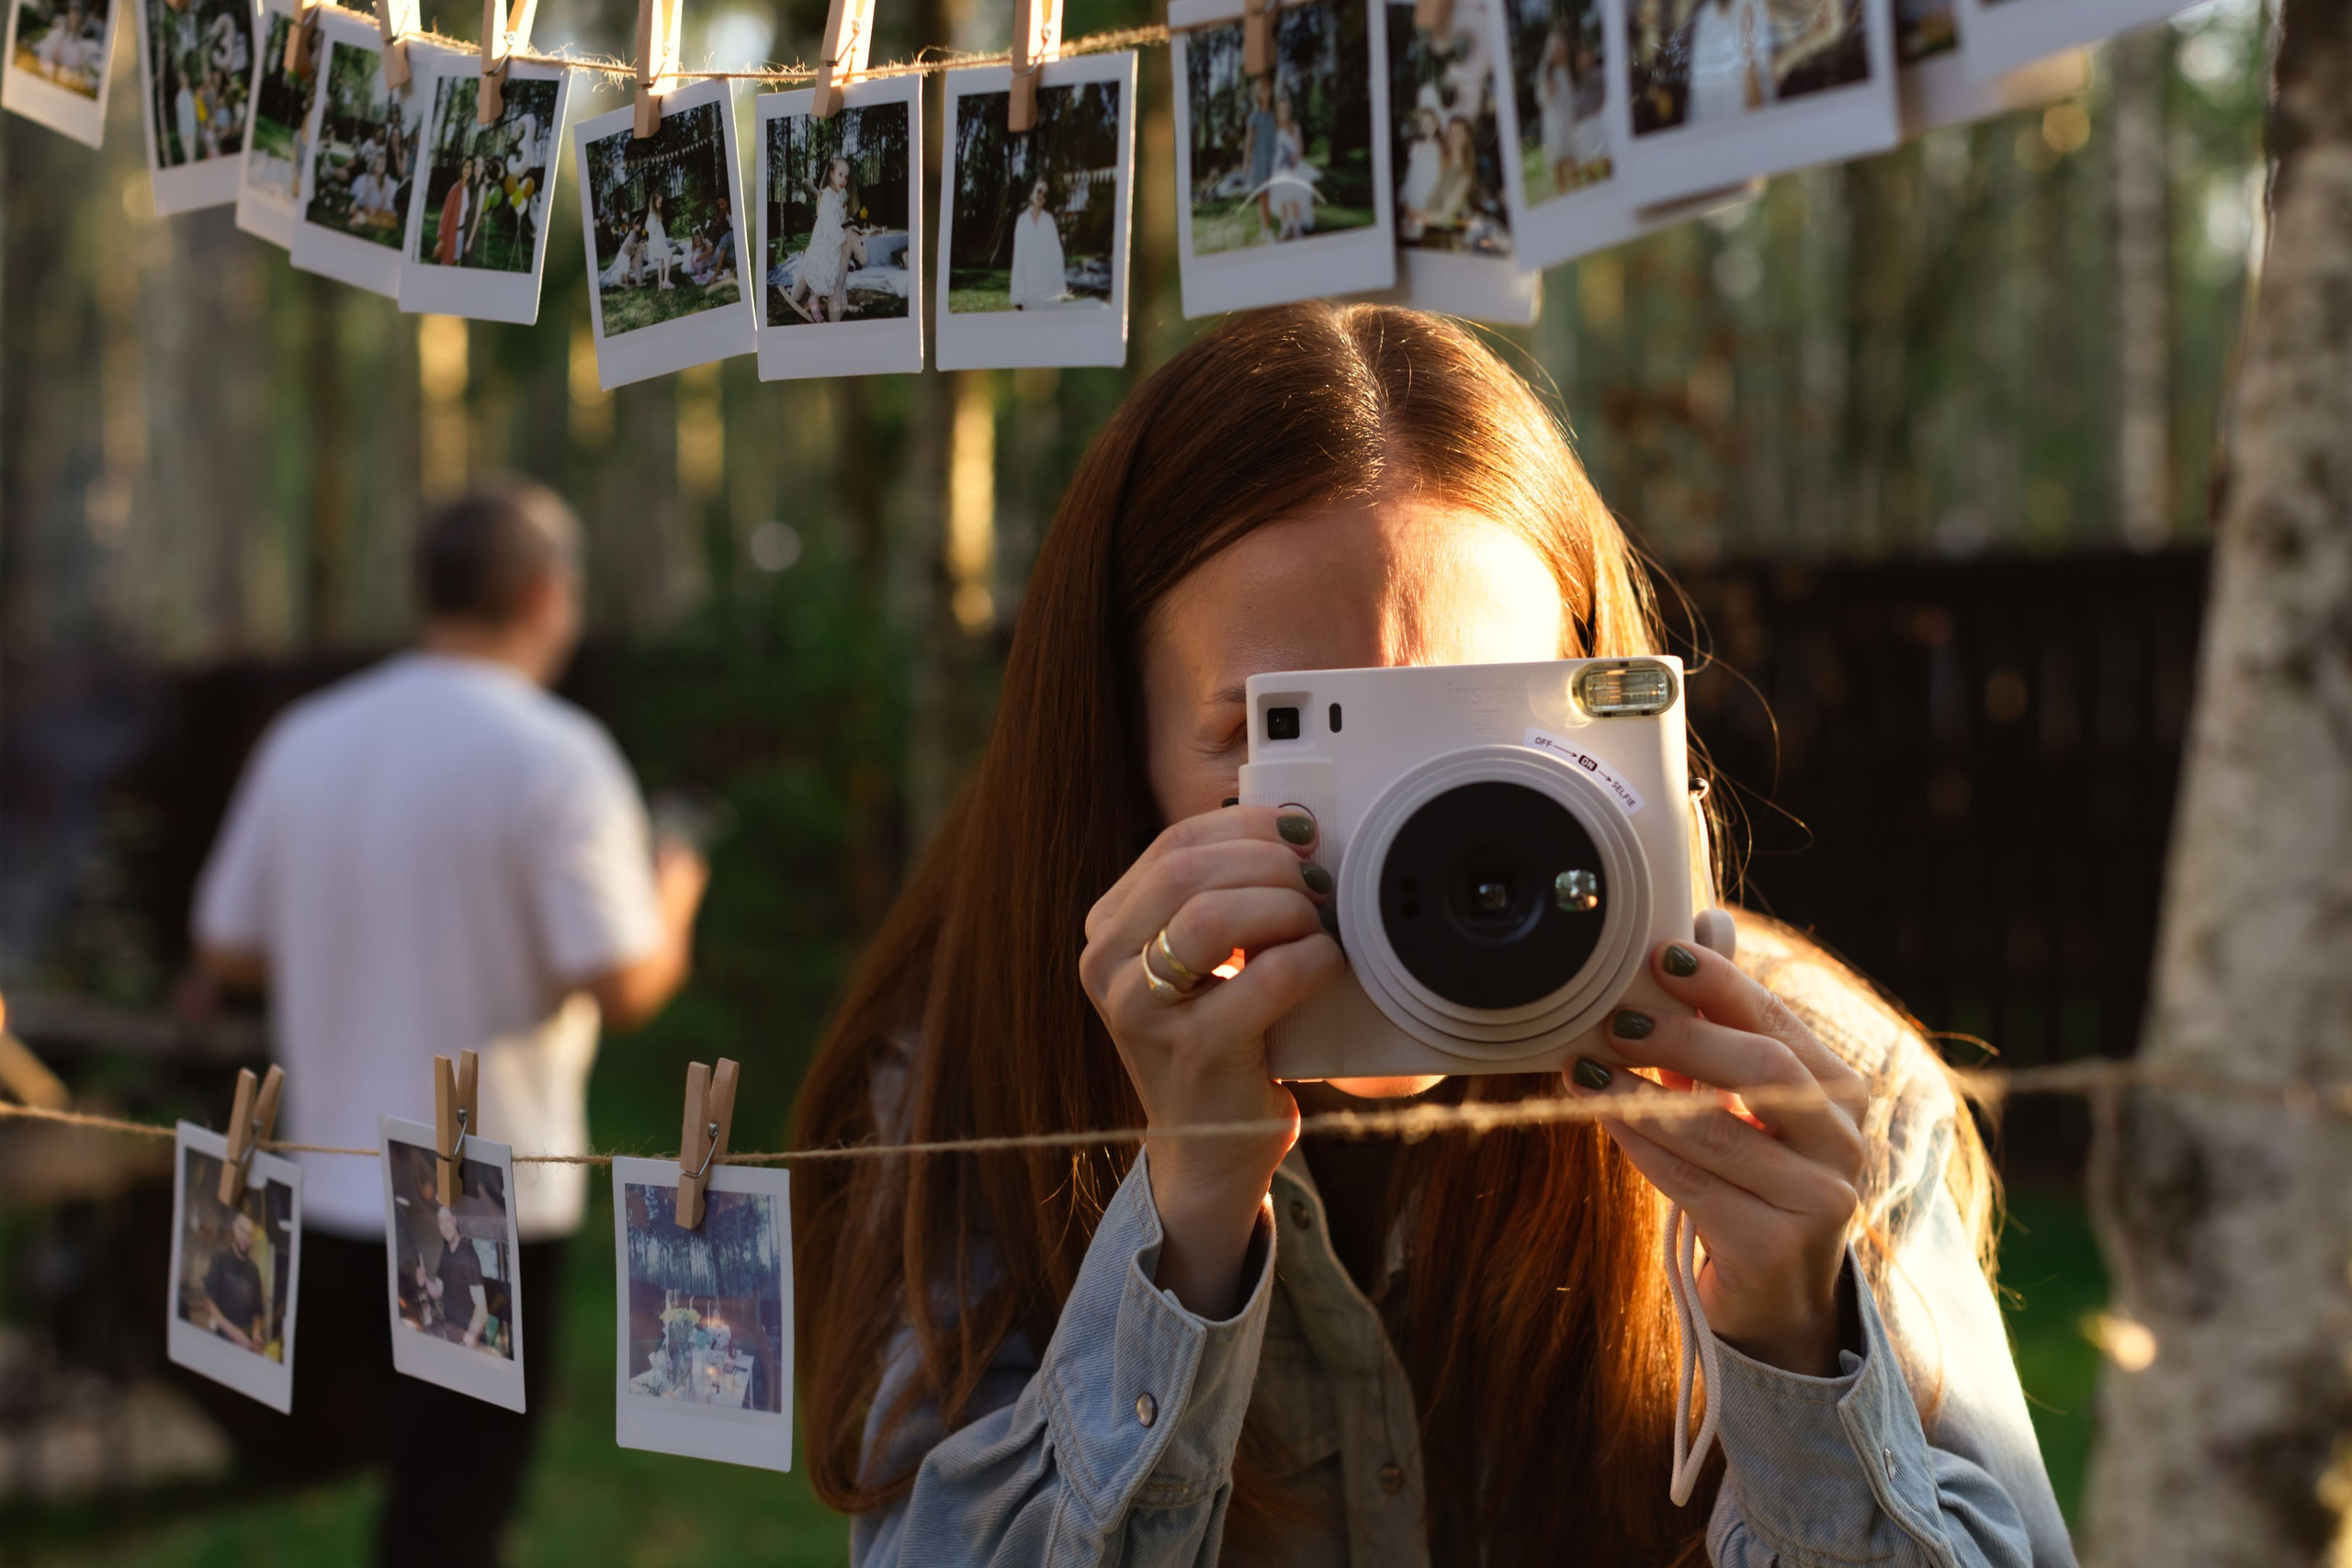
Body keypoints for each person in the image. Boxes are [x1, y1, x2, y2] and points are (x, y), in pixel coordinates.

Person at [793, 305, 2073, 1567]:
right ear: (1112, 749)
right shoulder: (976, 1083)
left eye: (1468, 734)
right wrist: (1179, 1231)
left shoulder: (1816, 1092)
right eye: (1284, 735)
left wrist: (1796, 1348)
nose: (1418, 837)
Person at [191, 480, 708, 1568]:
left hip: (328, 1182)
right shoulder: (556, 753)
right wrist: (676, 892)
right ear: (540, 594)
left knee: (403, 1499)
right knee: (451, 1516)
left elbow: (226, 945)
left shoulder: (308, 737)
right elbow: (621, 982)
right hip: (482, 1204)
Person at [787, 156, 852, 322]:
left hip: (832, 242)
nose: (843, 180)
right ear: (831, 173)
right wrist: (840, 236)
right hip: (824, 239)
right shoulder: (827, 195)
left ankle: (819, 296)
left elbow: (840, 215)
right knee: (822, 267)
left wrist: (845, 220)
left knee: (832, 271)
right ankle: (813, 298)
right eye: (840, 175)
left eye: (846, 177)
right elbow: (828, 220)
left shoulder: (839, 195)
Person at [1688, 0, 1773, 123]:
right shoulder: (1705, 14)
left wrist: (1748, 57)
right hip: (1712, 134)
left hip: (1749, 130)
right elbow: (1697, 100)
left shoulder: (1752, 7)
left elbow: (1758, 103)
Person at [418, 1205, 491, 1350]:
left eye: (447, 1219)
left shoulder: (467, 1253)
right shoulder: (445, 1254)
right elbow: (437, 1291)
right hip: (450, 1331)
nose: (445, 1225)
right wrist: (425, 1277)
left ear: (455, 1221)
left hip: (470, 1338)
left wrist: (467, 1341)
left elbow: (482, 1310)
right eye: (440, 1221)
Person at [201, 1211, 266, 1351]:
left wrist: (256, 1334)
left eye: (250, 1234)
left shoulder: (254, 1270)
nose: (246, 1238)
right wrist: (234, 1333)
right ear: (235, 1229)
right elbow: (209, 1302)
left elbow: (258, 1311)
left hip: (246, 1340)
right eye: (243, 1231)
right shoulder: (220, 1258)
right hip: (222, 1336)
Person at [1007, 178, 1066, 310]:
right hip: (1028, 284)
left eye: (1045, 194)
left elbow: (1057, 254)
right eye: (1039, 191)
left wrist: (1059, 289)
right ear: (1032, 192)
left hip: (1047, 284)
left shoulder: (1049, 220)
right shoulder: (1022, 221)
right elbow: (1018, 259)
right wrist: (1017, 295)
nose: (1041, 196)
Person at [1266, 94, 1317, 242]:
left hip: (1294, 167)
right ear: (1277, 111)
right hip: (1279, 168)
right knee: (1283, 197)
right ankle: (1286, 225)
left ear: (1290, 111)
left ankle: (1296, 226)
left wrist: (1297, 155)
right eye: (1281, 110)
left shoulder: (1294, 126)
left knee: (1294, 196)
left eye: (1286, 110)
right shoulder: (1274, 129)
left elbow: (1299, 145)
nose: (1284, 113)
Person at [1241, 73, 1278, 240]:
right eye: (1262, 89)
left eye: (1268, 88)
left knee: (1270, 194)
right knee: (1263, 195)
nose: (1266, 92)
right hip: (1259, 160)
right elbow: (1249, 142)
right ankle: (1268, 229)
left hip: (1272, 160)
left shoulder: (1273, 116)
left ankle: (1265, 227)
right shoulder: (1254, 117)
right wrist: (1246, 162)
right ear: (1257, 94)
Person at [436, 155, 475, 266]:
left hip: (461, 234)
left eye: (470, 167)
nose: (468, 170)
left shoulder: (468, 190)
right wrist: (441, 238)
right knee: (445, 263)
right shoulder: (455, 189)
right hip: (450, 234)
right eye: (465, 167)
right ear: (461, 169)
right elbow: (446, 214)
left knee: (454, 263)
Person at [644, 190, 674, 291]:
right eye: (659, 203)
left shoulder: (653, 214)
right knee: (669, 256)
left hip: (659, 241)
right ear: (654, 203)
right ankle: (666, 281)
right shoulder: (652, 216)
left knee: (661, 261)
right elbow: (650, 230)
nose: (660, 205)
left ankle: (660, 283)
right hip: (657, 242)